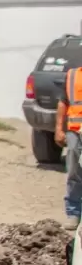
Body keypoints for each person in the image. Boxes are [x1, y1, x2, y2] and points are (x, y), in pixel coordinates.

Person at [55, 65, 82, 230]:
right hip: (74, 131)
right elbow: (63, 102)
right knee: (74, 171)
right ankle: (73, 213)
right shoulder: (72, 76)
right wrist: (59, 128)